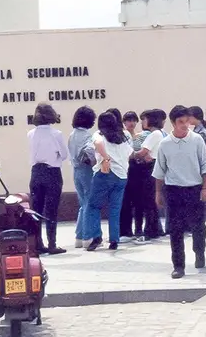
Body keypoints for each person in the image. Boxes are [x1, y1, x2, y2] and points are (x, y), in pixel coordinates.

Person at [154, 106, 206, 279]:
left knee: (199, 226)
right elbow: (160, 171)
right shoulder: (164, 144)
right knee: (175, 228)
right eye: (181, 122)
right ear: (173, 123)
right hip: (173, 190)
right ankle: (178, 265)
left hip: (195, 188)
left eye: (187, 121)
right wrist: (158, 192)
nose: (185, 125)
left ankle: (199, 252)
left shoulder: (197, 140)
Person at [84, 111, 132, 250]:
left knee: (93, 206)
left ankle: (96, 236)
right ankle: (114, 240)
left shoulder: (99, 134)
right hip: (122, 175)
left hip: (105, 174)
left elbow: (98, 143)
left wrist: (106, 158)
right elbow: (129, 154)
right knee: (115, 208)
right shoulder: (123, 136)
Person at [27, 103, 68, 255]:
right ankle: (52, 244)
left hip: (36, 172)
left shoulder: (31, 133)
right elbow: (64, 155)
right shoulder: (56, 134)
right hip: (52, 172)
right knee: (51, 210)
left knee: (36, 210)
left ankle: (37, 244)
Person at [128, 109, 167, 241]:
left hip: (150, 170)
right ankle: (154, 229)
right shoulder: (156, 134)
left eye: (144, 119)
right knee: (150, 201)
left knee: (149, 201)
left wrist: (131, 154)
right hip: (152, 168)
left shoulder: (154, 134)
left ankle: (150, 230)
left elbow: (142, 152)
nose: (142, 122)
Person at [68, 106, 96, 248]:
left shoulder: (72, 135)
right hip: (86, 170)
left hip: (76, 170)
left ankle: (79, 236)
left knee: (83, 204)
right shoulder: (88, 136)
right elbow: (89, 151)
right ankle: (87, 237)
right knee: (89, 204)